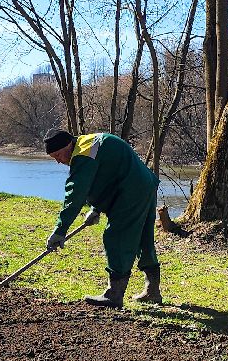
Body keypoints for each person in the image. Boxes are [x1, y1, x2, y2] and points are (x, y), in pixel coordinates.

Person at [43, 128, 163, 308]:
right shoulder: (90, 144)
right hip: (143, 185)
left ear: (69, 145)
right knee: (144, 239)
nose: (59, 161)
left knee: (116, 237)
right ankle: (152, 291)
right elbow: (105, 177)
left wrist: (60, 230)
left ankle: (114, 295)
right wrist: (96, 208)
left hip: (130, 192)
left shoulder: (83, 153)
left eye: (58, 155)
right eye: (54, 158)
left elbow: (75, 193)